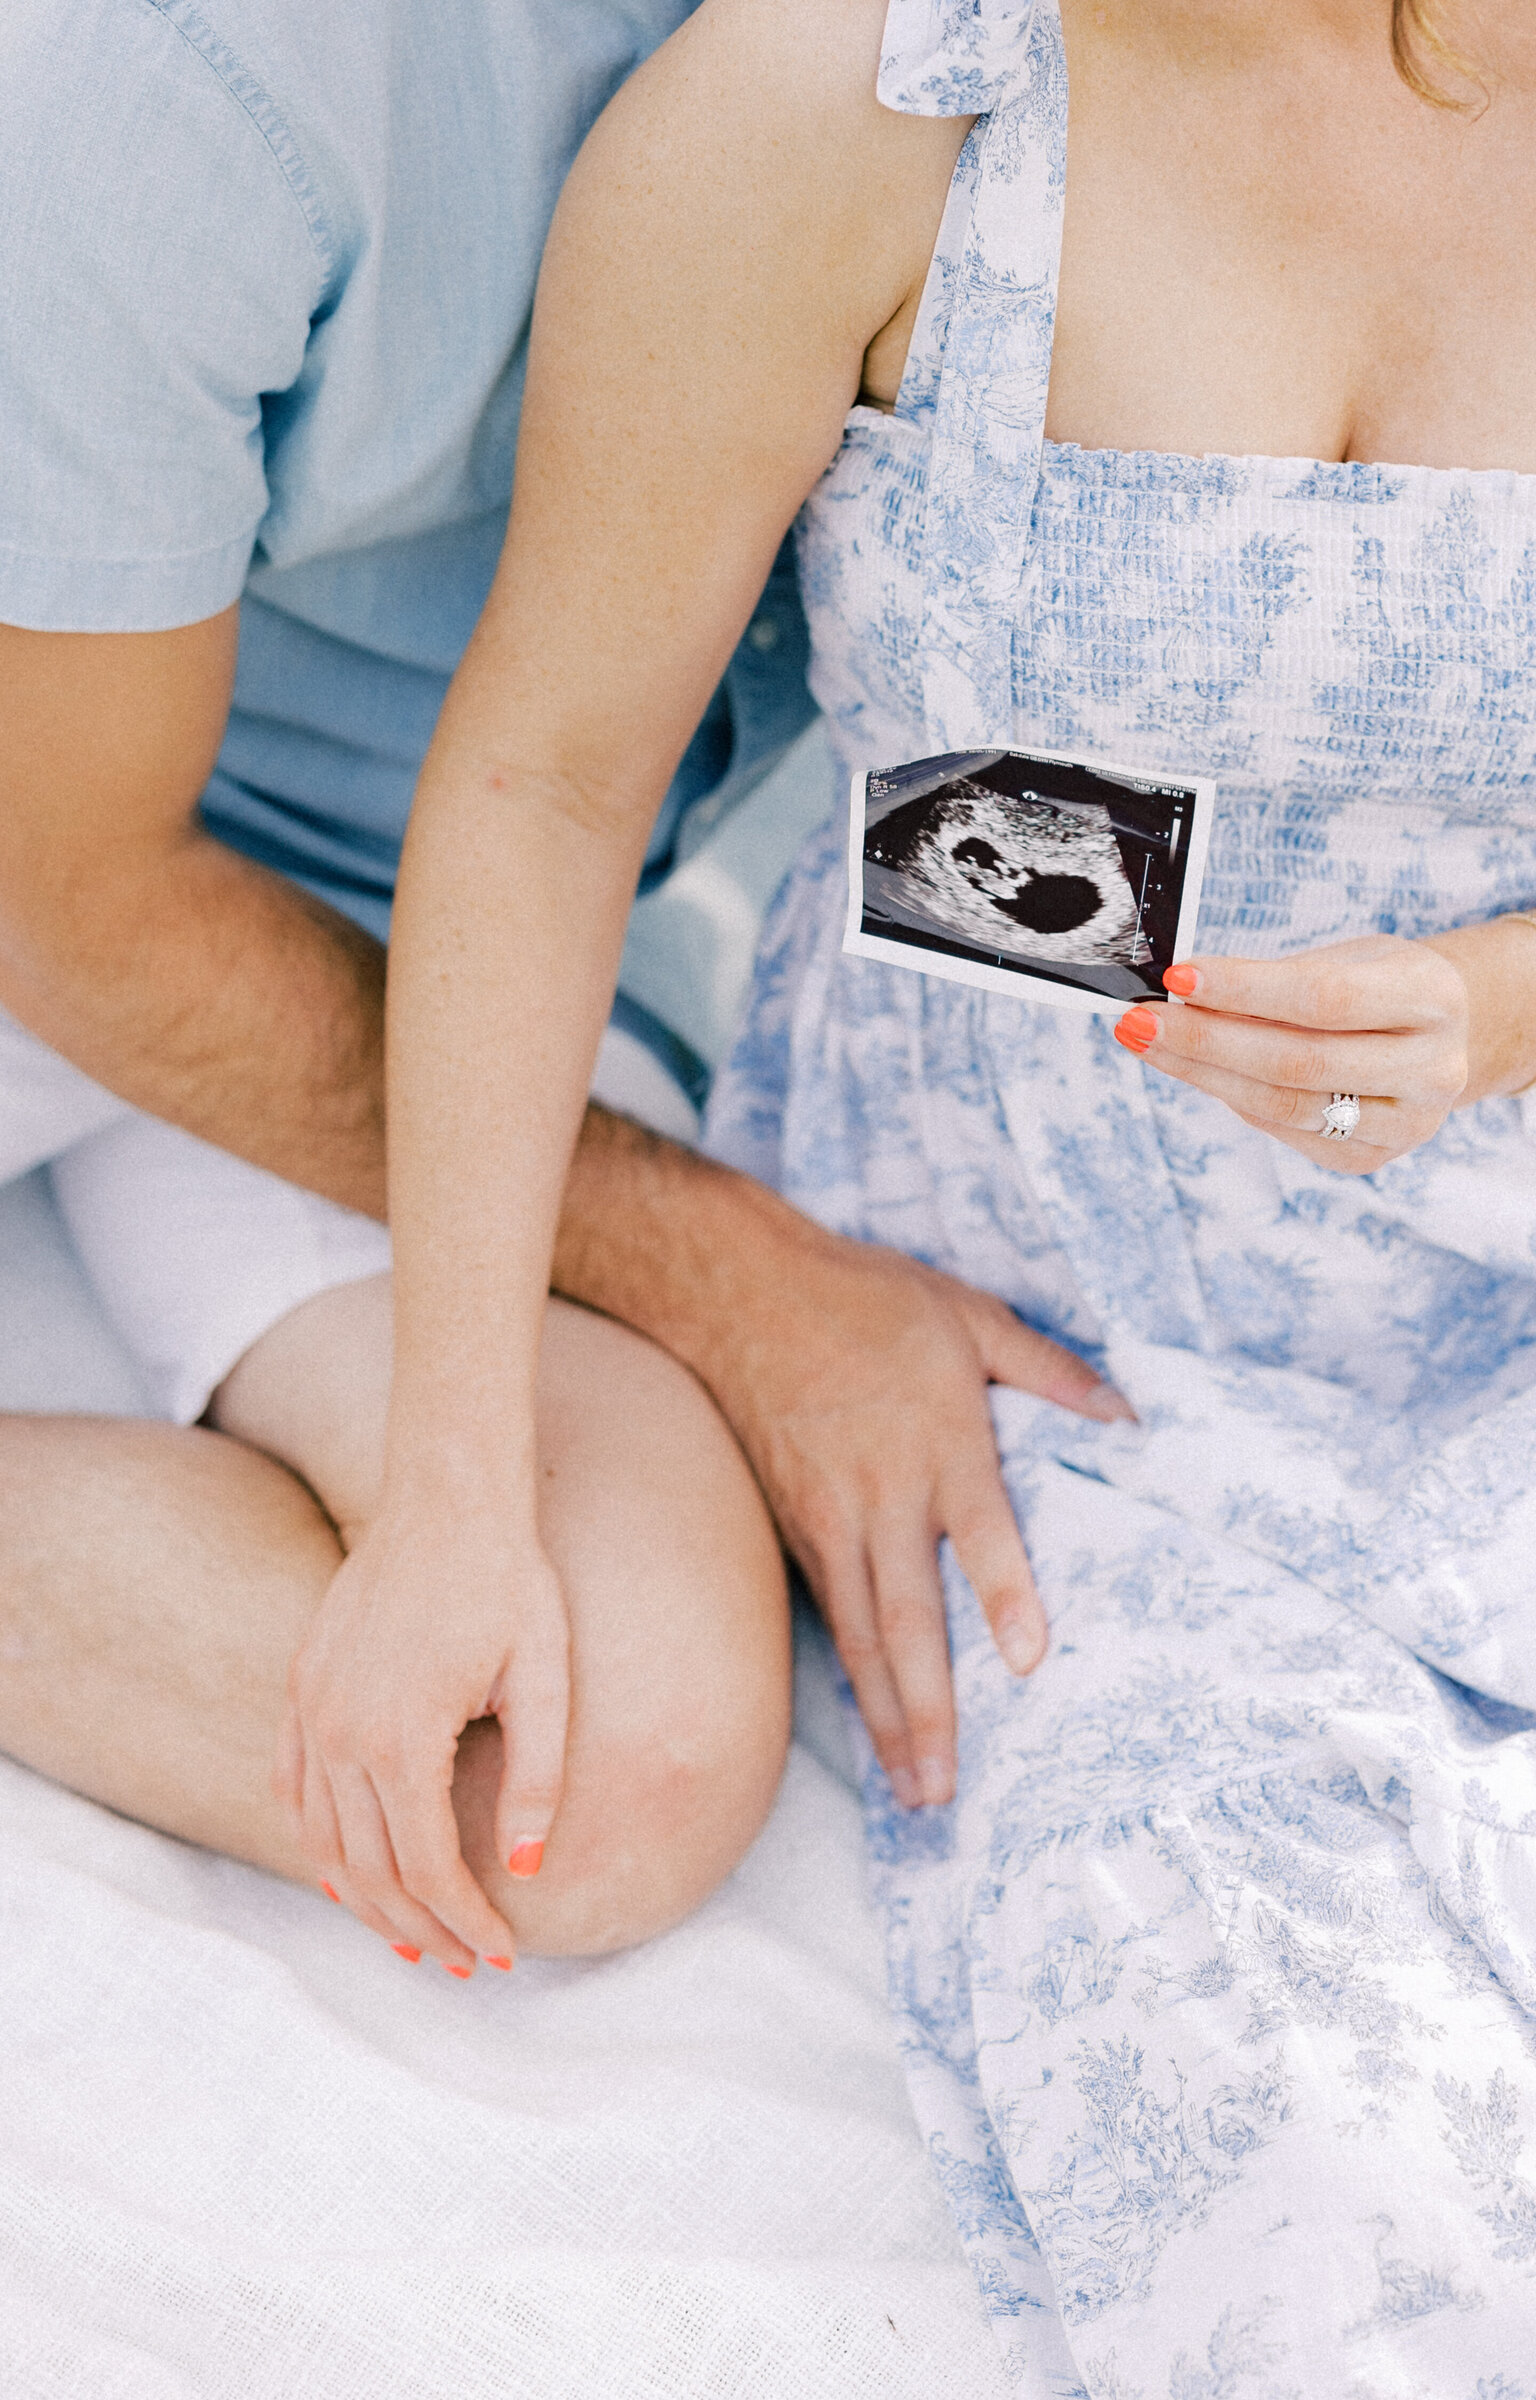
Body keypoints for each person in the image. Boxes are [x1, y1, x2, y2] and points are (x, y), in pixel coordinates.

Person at [344, 0, 1536, 2380]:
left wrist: (1526, 998)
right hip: (1035, 1362)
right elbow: (537, 787)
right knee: (1312, 2184)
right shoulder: (855, 101)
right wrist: (451, 1485)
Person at [0, 0, 1121, 1972]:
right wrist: (733, 1270)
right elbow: (71, 903)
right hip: (81, 842)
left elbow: (1027, 709)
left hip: (442, 921)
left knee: (600, 1764)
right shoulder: (170, 69)